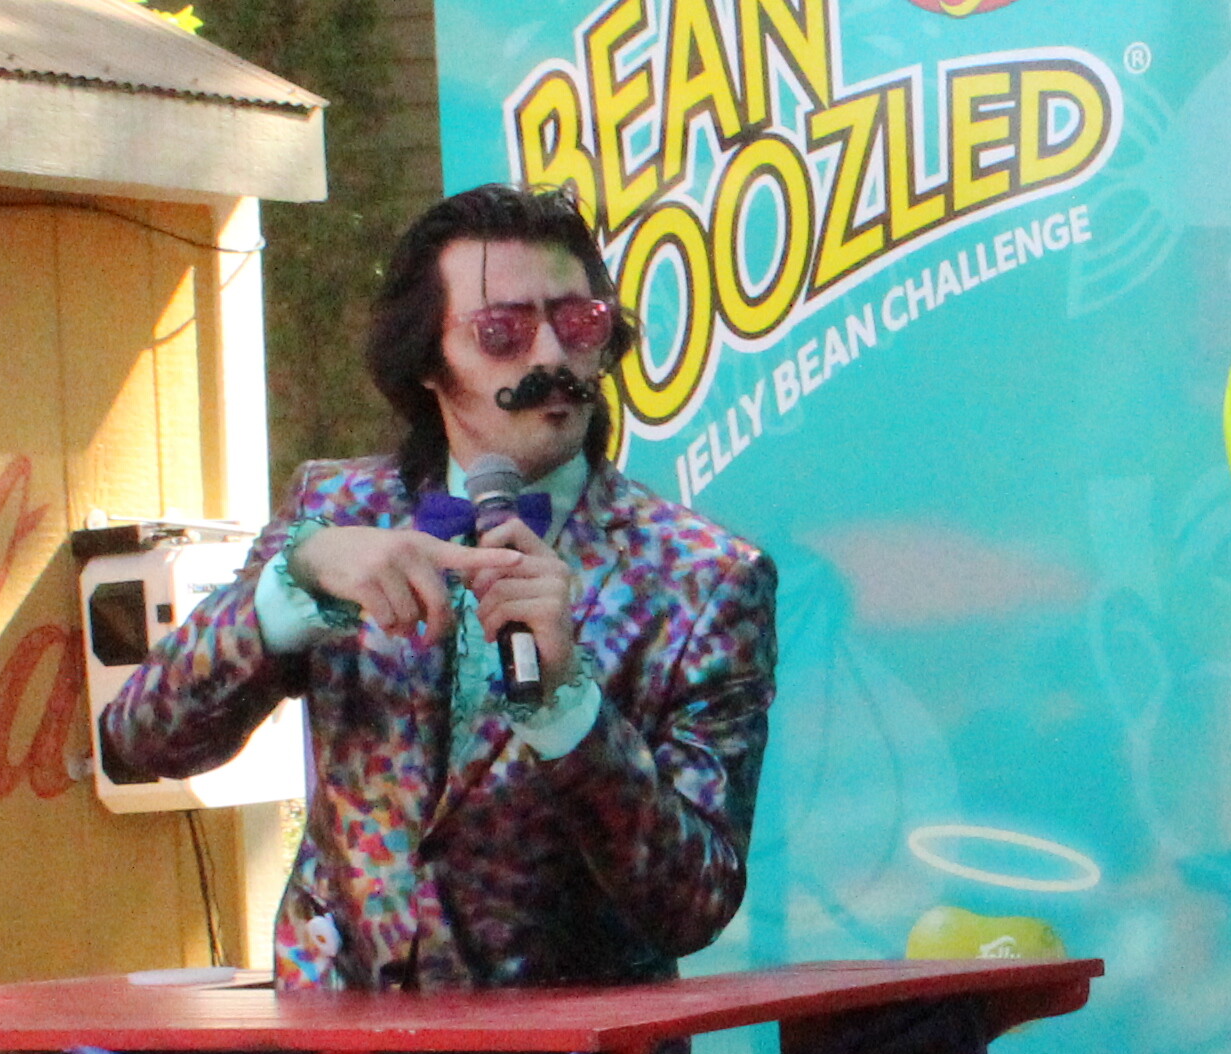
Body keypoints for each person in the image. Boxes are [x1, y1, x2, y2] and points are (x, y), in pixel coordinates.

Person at [98, 182, 776, 993]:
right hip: (339, 1040)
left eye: (579, 323)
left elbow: (695, 902)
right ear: (426, 359)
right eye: (502, 331)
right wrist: (288, 589)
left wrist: (571, 708)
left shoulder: (702, 577)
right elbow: (145, 739)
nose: (551, 357)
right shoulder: (334, 508)